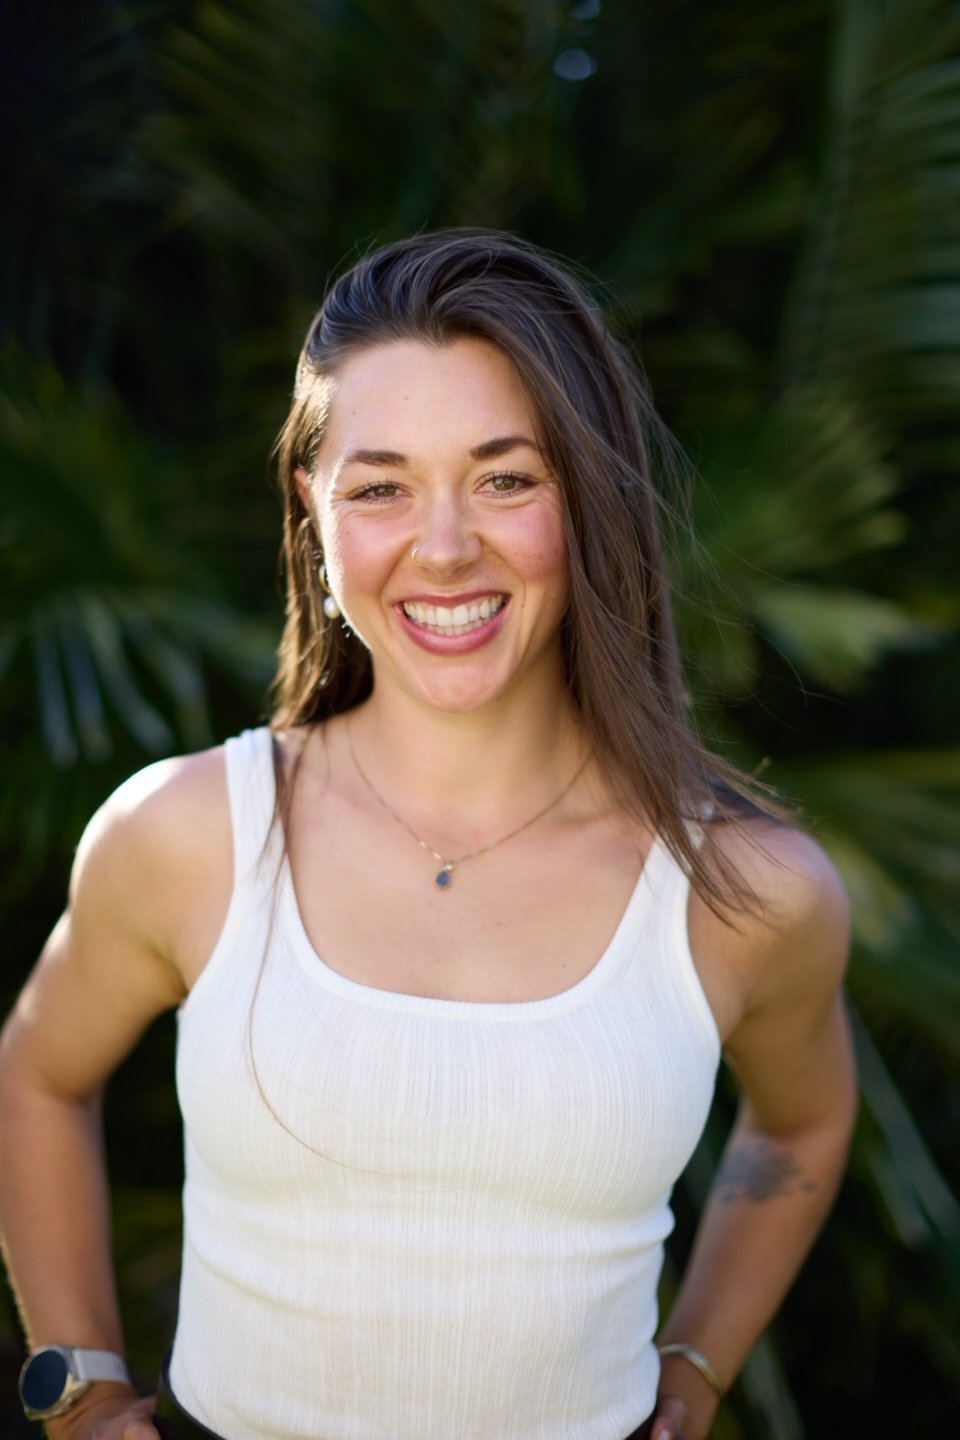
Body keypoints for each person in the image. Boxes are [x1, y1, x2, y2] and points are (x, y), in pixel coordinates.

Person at [0, 231, 857, 1440]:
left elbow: (804, 1119)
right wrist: (79, 1391)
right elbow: (34, 1071)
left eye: (508, 478)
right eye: (380, 486)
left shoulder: (744, 890)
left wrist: (700, 1366)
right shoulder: (187, 833)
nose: (444, 545)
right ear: (314, 509)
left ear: (595, 490)